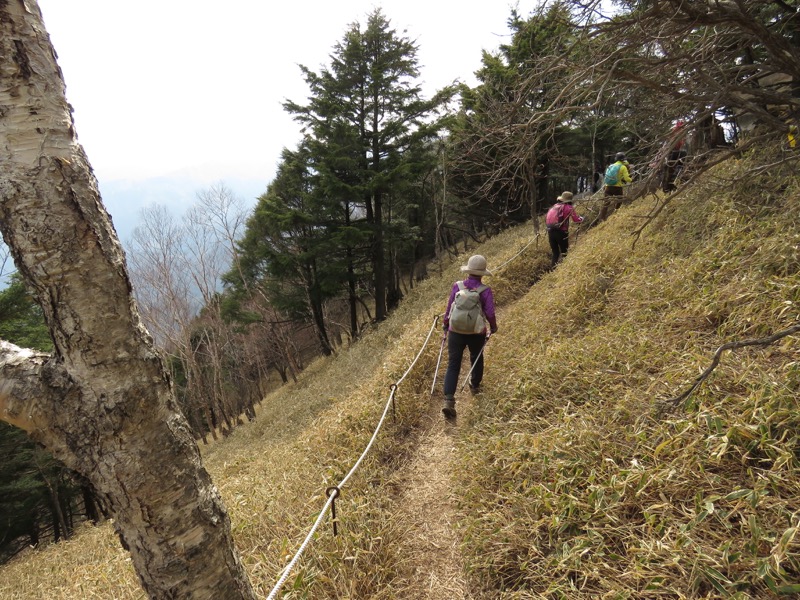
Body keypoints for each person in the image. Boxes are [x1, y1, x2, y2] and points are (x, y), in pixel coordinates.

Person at [441, 255, 498, 419]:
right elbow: (490, 313)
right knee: (477, 357)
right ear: (482, 273)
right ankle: (475, 385)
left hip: (455, 331)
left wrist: (446, 324)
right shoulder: (484, 290)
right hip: (475, 332)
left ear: (468, 271)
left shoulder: (457, 286)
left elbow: (450, 307)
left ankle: (448, 400)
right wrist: (493, 327)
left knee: (453, 364)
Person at [545, 191, 584, 266]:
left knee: (555, 253)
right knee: (564, 253)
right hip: (561, 233)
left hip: (550, 231)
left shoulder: (555, 206)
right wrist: (582, 219)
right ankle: (563, 270)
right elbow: (576, 220)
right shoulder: (569, 208)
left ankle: (552, 272)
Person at [599, 152, 632, 221]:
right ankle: (616, 213)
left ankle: (602, 218)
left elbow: (606, 177)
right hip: (617, 187)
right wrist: (631, 179)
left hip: (607, 187)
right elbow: (626, 178)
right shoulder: (623, 167)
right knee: (620, 200)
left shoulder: (610, 166)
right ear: (623, 160)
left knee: (606, 202)